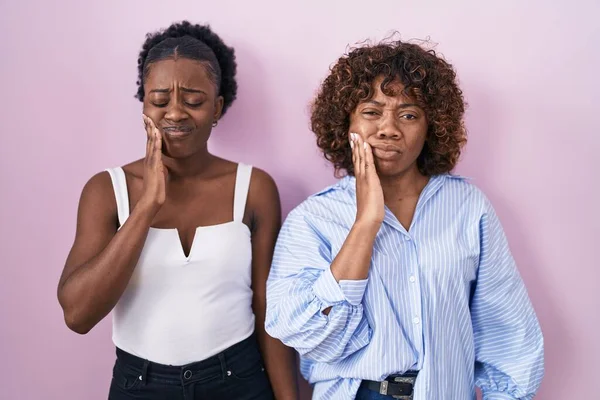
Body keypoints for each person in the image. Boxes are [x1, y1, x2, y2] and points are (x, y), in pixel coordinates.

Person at [265, 38, 544, 400]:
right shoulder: (313, 219)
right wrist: (365, 224)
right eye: (371, 111)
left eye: (409, 114)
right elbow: (309, 336)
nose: (388, 128)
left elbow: (507, 330)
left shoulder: (467, 207)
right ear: (345, 121)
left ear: (432, 128)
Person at [57, 21, 297, 400]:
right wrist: (147, 205)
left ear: (217, 106)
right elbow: (78, 315)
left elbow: (268, 308)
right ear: (144, 105)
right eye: (159, 99)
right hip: (140, 385)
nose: (175, 113)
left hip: (239, 380)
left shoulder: (255, 189)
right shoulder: (107, 190)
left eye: (194, 100)